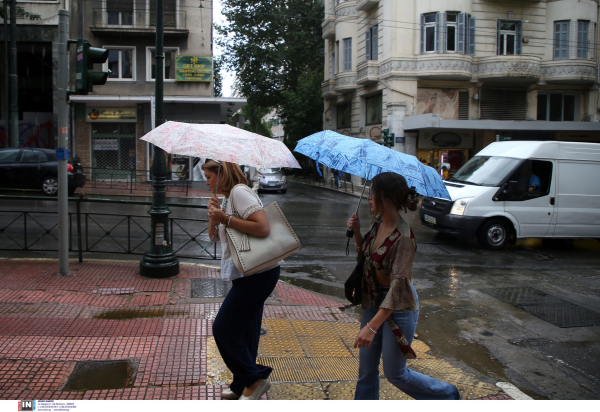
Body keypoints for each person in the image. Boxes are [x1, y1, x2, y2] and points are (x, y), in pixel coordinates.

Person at [347, 172, 460, 400]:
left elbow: (399, 288)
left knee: (395, 374)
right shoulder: (378, 222)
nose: (368, 198)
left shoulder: (404, 238)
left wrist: (371, 328)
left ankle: (447, 395)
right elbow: (366, 257)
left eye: (372, 193)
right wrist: (357, 232)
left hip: (399, 308)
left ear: (387, 198)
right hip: (374, 300)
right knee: (366, 370)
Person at [203, 159, 279, 400]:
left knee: (223, 328)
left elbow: (263, 228)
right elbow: (215, 238)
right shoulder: (227, 198)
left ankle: (255, 379)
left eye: (209, 177)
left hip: (259, 272)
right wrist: (214, 216)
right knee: (247, 330)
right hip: (247, 272)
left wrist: (225, 218)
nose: (207, 182)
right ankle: (240, 385)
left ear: (222, 174)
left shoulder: (240, 192)